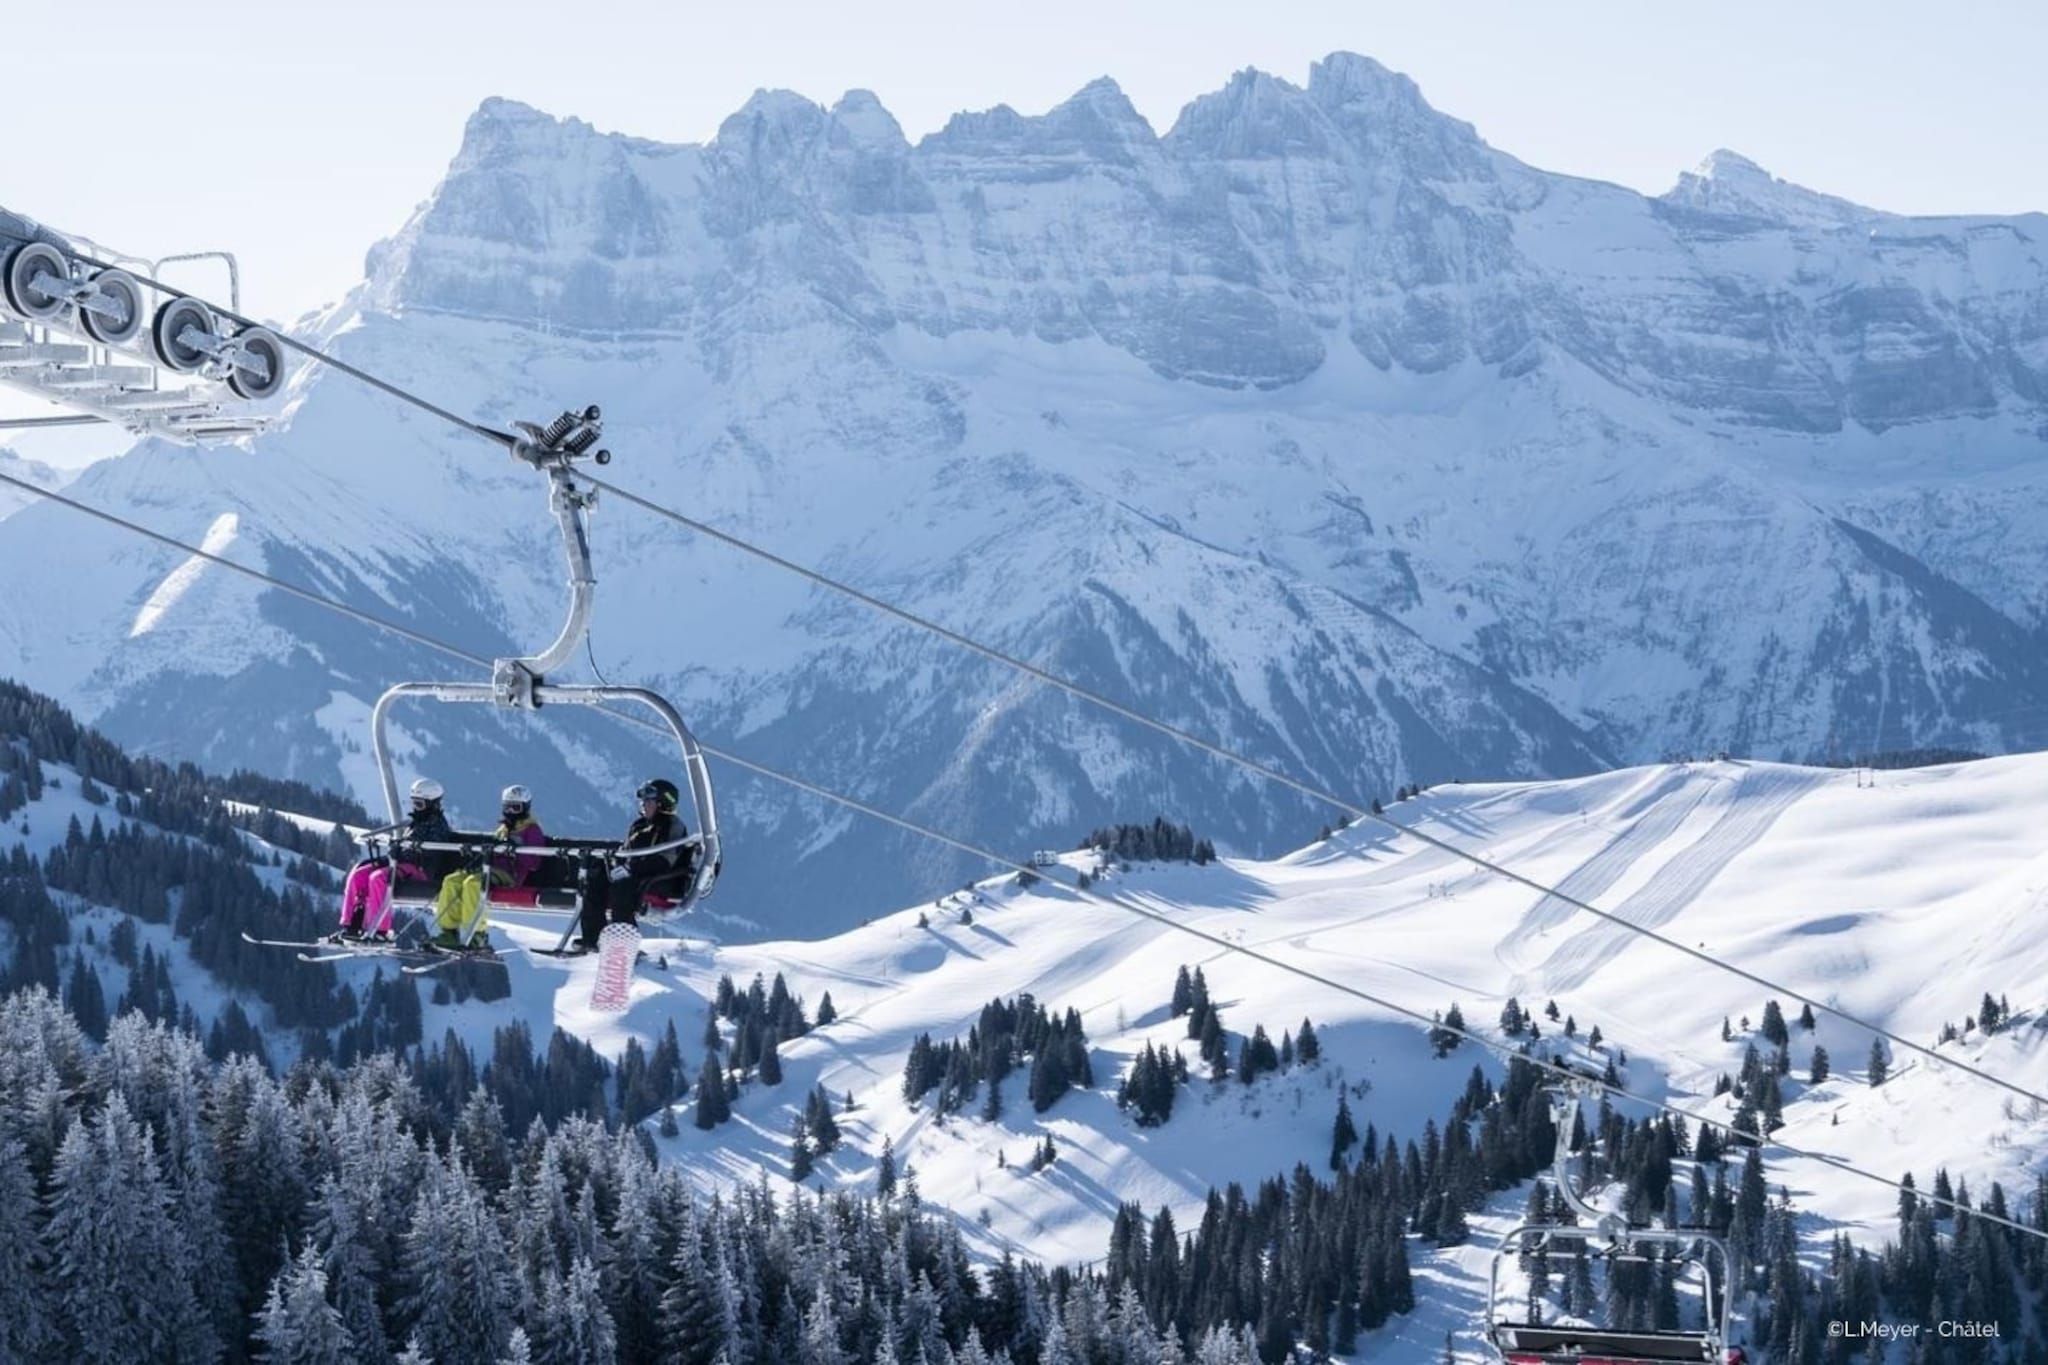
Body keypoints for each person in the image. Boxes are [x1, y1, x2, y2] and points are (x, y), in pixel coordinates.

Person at [573, 778, 693, 953]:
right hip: (636, 874)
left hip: (662, 879)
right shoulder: (639, 825)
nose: (643, 804)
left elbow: (666, 859)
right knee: (596, 879)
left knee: (622, 888)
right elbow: (626, 851)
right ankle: (594, 937)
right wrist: (615, 865)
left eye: (648, 801)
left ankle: (623, 941)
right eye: (643, 801)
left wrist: (631, 869)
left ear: (662, 803)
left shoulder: (672, 826)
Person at [331, 778, 454, 943]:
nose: (415, 808)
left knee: (378, 878)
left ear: (433, 804)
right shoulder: (417, 822)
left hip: (421, 869)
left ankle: (381, 930)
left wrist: (403, 850)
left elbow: (430, 851)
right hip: (403, 863)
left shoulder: (438, 826)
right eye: (414, 803)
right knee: (358, 875)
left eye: (420, 805)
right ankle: (350, 926)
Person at [430, 784, 548, 949]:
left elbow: (534, 862)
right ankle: (449, 932)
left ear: (525, 807)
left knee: (473, 884)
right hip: (489, 869)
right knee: (452, 881)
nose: (510, 812)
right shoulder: (503, 829)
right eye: (507, 807)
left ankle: (477, 933)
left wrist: (516, 849)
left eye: (515, 808)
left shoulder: (532, 830)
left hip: (510, 875)